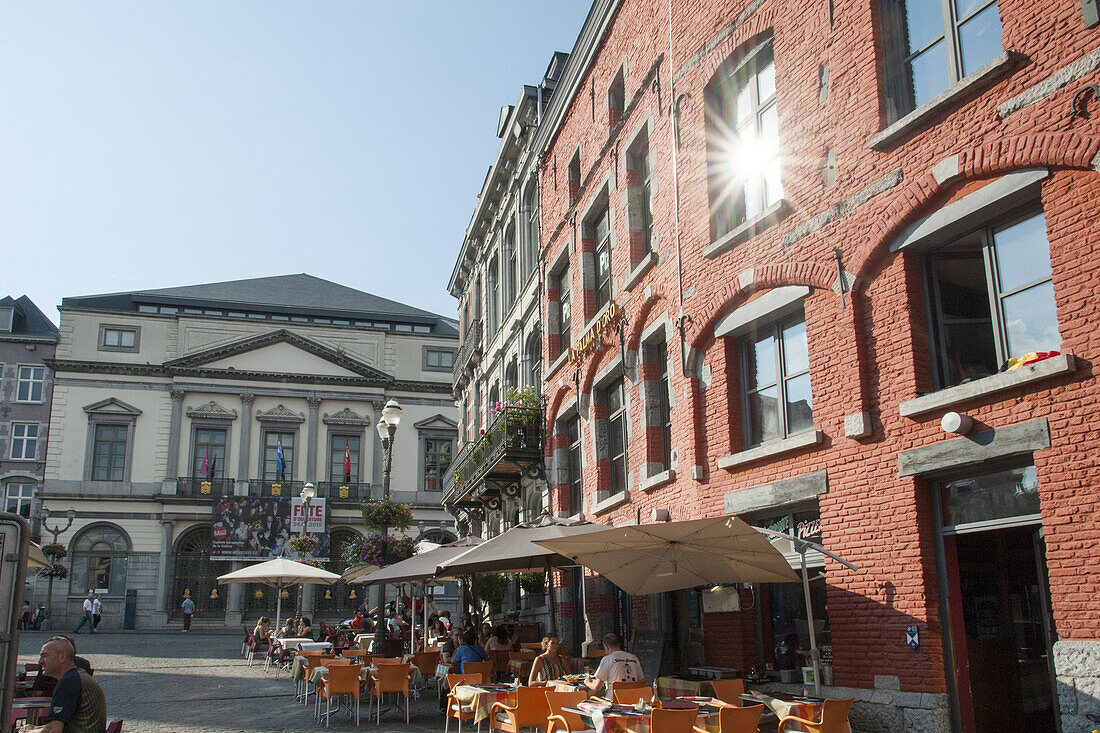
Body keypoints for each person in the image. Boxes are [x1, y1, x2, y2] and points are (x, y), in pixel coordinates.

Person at [24, 637, 106, 733]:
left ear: (62, 657)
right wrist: (35, 729)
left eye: (44, 656)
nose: (40, 661)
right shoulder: (79, 676)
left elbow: (54, 730)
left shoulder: (68, 682)